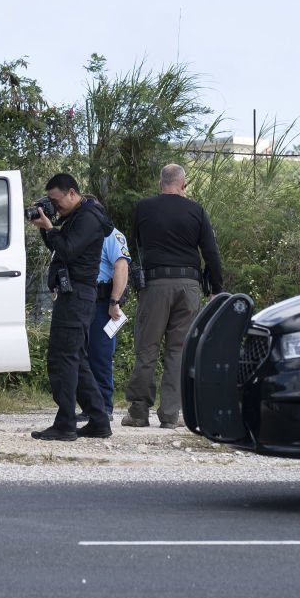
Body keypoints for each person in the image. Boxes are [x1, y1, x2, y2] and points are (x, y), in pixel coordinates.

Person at [124, 163, 222, 428]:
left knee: (147, 348)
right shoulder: (196, 210)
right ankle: (170, 414)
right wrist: (216, 289)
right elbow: (211, 253)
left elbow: (135, 244)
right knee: (178, 350)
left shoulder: (144, 208)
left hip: (155, 284)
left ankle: (138, 412)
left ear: (160, 183)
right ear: (183, 184)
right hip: (189, 286)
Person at [30, 172, 114, 441]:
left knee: (62, 359)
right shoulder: (75, 217)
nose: (55, 206)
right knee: (76, 360)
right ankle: (99, 420)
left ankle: (65, 424)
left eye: (56, 200)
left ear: (72, 193)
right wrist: (48, 227)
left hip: (77, 296)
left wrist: (51, 229)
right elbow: (59, 250)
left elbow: (67, 250)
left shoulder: (88, 218)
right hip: (73, 295)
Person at [83, 225, 131, 421]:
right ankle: (89, 405)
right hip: (82, 299)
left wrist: (115, 301)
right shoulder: (81, 230)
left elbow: (121, 266)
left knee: (100, 354)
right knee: (81, 354)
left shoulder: (111, 234)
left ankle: (103, 406)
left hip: (103, 301)